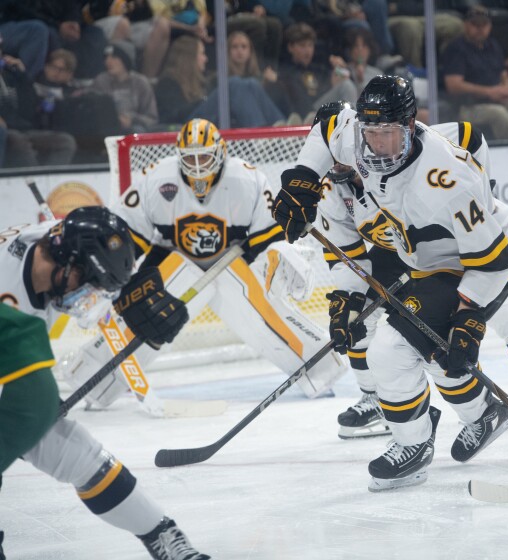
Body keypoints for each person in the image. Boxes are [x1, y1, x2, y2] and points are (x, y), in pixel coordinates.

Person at [273, 77, 508, 490]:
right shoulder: (358, 141)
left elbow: (494, 262)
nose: (376, 146)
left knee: (486, 320)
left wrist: (469, 315)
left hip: (480, 254)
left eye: (388, 135)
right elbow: (328, 129)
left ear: (410, 126)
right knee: (427, 348)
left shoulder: (448, 178)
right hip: (425, 262)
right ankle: (473, 418)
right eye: (371, 134)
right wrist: (301, 179)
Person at [64, 118, 344, 409]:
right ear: (178, 156)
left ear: (221, 153)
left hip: (231, 266)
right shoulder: (156, 179)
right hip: (174, 268)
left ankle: (319, 370)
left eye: (204, 156)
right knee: (148, 309)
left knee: (254, 298)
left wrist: (284, 253)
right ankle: (93, 379)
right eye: (190, 158)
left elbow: (272, 235)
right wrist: (108, 284)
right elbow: (126, 239)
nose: (197, 166)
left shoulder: (247, 180)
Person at [0, 207, 210, 559]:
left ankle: (163, 537)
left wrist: (135, 297)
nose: (90, 297)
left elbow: (100, 243)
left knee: (75, 450)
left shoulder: (56, 246)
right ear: (66, 264)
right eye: (91, 285)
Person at [442, 5, 508, 140]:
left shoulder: (493, 46)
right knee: (499, 114)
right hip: (469, 106)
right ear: (466, 24)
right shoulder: (456, 49)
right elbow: (453, 85)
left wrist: (507, 87)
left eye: (484, 24)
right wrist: (489, 92)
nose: (480, 29)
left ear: (490, 26)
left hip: (499, 101)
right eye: (475, 24)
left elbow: (504, 74)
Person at [155, 35, 285, 127]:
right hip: (188, 131)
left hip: (204, 126)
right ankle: (258, 133)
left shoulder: (199, 82)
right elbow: (171, 118)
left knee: (251, 83)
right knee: (233, 84)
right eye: (201, 53)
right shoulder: (168, 82)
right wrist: (203, 101)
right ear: (188, 57)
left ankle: (281, 127)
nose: (205, 59)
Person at [275, 23, 357, 122]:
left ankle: (351, 124)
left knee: (346, 85)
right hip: (304, 115)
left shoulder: (319, 69)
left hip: (322, 112)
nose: (307, 51)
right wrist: (330, 86)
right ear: (290, 47)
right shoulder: (286, 72)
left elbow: (350, 85)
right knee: (346, 86)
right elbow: (299, 102)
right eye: (302, 46)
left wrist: (345, 69)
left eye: (310, 45)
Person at [92, 43, 159, 132]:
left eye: (114, 57)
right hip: (108, 129)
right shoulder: (101, 82)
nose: (108, 61)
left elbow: (151, 118)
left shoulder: (140, 83)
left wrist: (132, 120)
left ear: (125, 60)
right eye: (106, 58)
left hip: (136, 129)